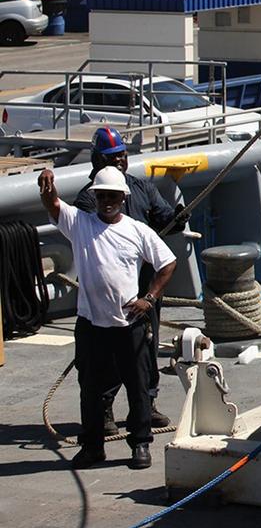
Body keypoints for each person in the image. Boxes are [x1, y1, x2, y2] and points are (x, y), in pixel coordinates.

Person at [39, 165, 177, 470]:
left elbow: (167, 263)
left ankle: (140, 443)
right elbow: (54, 205)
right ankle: (92, 447)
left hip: (129, 326)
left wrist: (149, 298)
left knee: (138, 387)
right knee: (90, 389)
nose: (107, 201)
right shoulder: (80, 223)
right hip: (91, 326)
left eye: (113, 196)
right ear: (96, 197)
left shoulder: (138, 231)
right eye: (102, 196)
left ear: (123, 198)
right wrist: (47, 187)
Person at [74, 127, 184, 430]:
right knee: (108, 357)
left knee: (146, 349)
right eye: (112, 157)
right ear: (98, 160)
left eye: (122, 155)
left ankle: (147, 404)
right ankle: (105, 408)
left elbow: (162, 218)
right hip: (110, 297)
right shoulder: (89, 199)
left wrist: (176, 219)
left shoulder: (141, 187)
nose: (120, 160)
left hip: (145, 287)